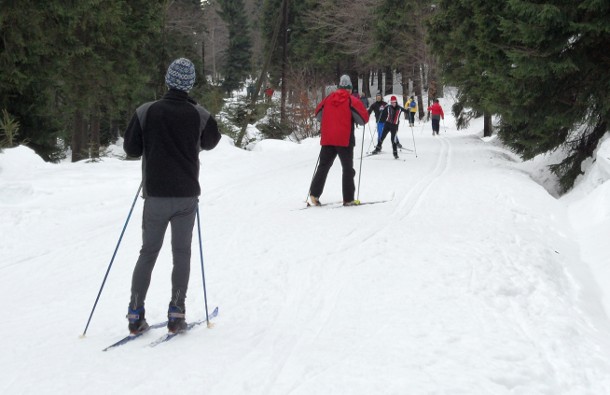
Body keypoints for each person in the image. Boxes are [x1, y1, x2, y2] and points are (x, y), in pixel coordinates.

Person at [123, 58, 221, 334]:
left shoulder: (146, 111)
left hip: (155, 194)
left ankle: (134, 313)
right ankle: (176, 313)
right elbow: (211, 141)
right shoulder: (198, 114)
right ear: (189, 84)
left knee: (148, 253)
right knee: (182, 253)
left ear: (168, 80)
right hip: (186, 196)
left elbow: (131, 148)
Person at [309, 75, 369, 207]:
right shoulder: (350, 100)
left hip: (328, 138)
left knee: (323, 166)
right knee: (347, 169)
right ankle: (348, 199)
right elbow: (363, 119)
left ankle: (314, 193)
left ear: (339, 86)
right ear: (349, 88)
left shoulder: (328, 98)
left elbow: (318, 114)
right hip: (344, 139)